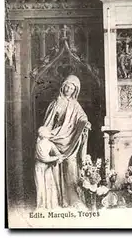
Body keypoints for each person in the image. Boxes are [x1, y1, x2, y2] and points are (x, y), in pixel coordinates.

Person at [41, 75, 91, 208]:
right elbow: (48, 123)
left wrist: (85, 123)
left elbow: (82, 117)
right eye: (67, 86)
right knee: (55, 165)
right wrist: (46, 135)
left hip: (70, 141)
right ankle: (58, 199)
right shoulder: (55, 102)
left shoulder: (75, 104)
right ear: (63, 86)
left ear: (75, 90)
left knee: (71, 165)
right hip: (55, 138)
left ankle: (73, 198)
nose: (68, 89)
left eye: (72, 88)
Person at [34, 126, 64, 209]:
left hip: (47, 168)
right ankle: (41, 206)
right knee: (40, 186)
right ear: (43, 134)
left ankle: (50, 205)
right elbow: (44, 158)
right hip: (40, 167)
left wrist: (59, 157)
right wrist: (56, 158)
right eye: (47, 132)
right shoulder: (39, 144)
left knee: (49, 185)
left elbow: (57, 153)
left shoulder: (50, 144)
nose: (48, 133)